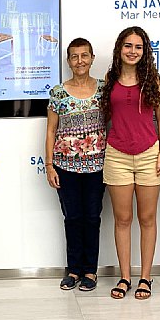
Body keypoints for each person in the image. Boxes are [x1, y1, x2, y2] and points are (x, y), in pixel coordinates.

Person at [101, 26, 160, 300]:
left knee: (147, 218)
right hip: (116, 155)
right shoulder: (110, 78)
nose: (133, 51)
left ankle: (145, 278)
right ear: (119, 49)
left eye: (138, 47)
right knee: (123, 219)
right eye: (128, 46)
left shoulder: (153, 79)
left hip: (149, 154)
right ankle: (125, 277)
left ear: (145, 51)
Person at [45, 38, 106, 292]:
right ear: (68, 61)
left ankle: (90, 271)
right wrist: (49, 164)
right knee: (73, 218)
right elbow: (51, 130)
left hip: (97, 166)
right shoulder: (58, 92)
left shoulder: (105, 89)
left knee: (92, 218)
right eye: (74, 56)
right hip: (65, 166)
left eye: (84, 56)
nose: (79, 61)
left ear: (92, 58)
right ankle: (73, 270)